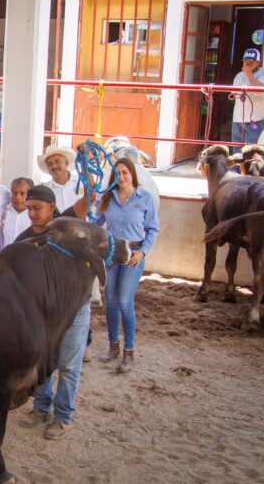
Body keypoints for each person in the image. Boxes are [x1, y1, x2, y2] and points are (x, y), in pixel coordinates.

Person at [16, 184, 92, 440]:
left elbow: (89, 198)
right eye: (29, 209)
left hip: (74, 308)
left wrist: (91, 183)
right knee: (43, 362)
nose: (31, 214)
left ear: (52, 207)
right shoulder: (24, 239)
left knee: (69, 366)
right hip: (44, 311)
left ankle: (63, 417)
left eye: (36, 208)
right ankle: (40, 408)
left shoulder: (67, 225)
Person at [93, 158, 160, 373]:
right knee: (110, 301)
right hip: (112, 253)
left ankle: (128, 352)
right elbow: (96, 222)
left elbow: (153, 229)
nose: (121, 177)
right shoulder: (107, 197)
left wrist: (142, 252)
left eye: (125, 172)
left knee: (124, 302)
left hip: (133, 254)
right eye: (118, 173)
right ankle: (113, 346)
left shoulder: (145, 198)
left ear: (132, 174)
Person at [39, 143, 95, 360]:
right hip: (56, 248)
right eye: (50, 163)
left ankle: (85, 341)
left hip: (80, 246)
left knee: (82, 294)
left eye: (57, 161)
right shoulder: (45, 189)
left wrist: (87, 164)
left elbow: (91, 195)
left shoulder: (80, 183)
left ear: (66, 163)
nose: (54, 166)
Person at [229, 48, 264, 150]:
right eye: (245, 61)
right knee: (236, 153)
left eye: (251, 62)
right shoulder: (239, 75)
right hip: (238, 119)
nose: (247, 64)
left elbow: (260, 89)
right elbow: (233, 93)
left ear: (258, 63)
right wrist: (233, 95)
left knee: (250, 153)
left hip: (255, 120)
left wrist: (248, 74)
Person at [0, 177, 33, 249]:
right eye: (14, 193)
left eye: (22, 193)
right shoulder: (1, 212)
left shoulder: (35, 215)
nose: (17, 197)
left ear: (30, 195)